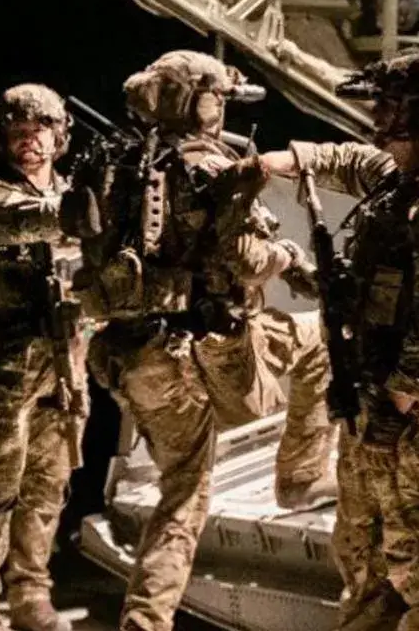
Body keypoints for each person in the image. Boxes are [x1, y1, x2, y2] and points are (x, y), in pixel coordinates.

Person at [64, 50, 329, 631]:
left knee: (181, 495)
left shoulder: (122, 166)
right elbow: (245, 260)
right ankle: (301, 476)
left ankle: (145, 621)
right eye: (217, 98)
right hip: (204, 351)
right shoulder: (209, 167)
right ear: (201, 103)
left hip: (132, 356)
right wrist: (287, 258)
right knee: (324, 339)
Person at [254, 47, 419, 630]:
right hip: (368, 401)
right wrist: (282, 161)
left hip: (410, 419)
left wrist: (401, 400)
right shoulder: (397, 182)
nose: (378, 117)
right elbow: (349, 160)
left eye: (391, 106)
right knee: (360, 553)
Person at [0, 83, 89, 631]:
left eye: (41, 130)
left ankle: (31, 595)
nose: (31, 142)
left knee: (48, 487)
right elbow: (34, 219)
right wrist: (90, 212)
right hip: (8, 363)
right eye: (19, 132)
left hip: (66, 359)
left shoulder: (78, 193)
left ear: (60, 136)